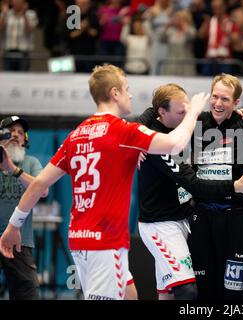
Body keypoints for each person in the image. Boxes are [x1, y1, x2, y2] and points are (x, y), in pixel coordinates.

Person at [0, 64, 209, 300]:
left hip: (79, 238)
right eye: (126, 88)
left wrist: (13, 226)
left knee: (130, 295)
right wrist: (193, 112)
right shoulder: (123, 132)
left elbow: (38, 185)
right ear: (114, 92)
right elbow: (175, 144)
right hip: (105, 242)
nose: (130, 95)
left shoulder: (76, 134)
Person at [139, 73, 243, 300]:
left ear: (236, 103)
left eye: (226, 99)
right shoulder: (195, 123)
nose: (218, 103)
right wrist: (139, 140)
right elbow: (156, 112)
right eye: (215, 97)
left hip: (238, 219)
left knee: (234, 290)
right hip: (202, 218)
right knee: (202, 289)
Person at [0, 116, 47, 299]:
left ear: (25, 139)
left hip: (19, 241)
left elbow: (42, 190)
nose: (16, 135)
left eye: (20, 132)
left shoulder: (31, 163)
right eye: (11, 131)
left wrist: (12, 168)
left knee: (26, 292)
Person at [0, 0, 38, 71]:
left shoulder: (31, 14)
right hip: (8, 52)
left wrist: (24, 15)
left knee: (22, 78)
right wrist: (4, 14)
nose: (16, 2)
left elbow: (29, 30)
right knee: (8, 78)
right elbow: (0, 28)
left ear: (24, 2)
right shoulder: (6, 13)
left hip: (23, 53)